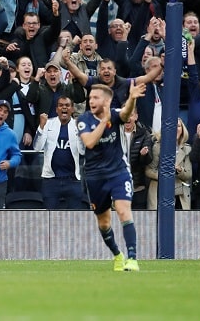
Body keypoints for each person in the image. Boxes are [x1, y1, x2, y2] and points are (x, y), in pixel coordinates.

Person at [78, 82, 146, 272]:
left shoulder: (115, 114)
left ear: (106, 101)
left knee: (124, 211)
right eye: (90, 97)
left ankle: (132, 259)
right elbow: (90, 142)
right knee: (104, 222)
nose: (91, 101)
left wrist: (132, 98)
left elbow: (125, 114)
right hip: (94, 176)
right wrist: (103, 121)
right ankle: (117, 255)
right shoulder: (83, 119)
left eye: (95, 97)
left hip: (118, 172)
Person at [34, 96, 84, 210]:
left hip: (73, 180)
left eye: (67, 105)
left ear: (72, 109)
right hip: (51, 180)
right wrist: (41, 126)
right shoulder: (48, 124)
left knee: (75, 219)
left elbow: (83, 151)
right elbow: (37, 147)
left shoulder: (78, 125)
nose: (64, 108)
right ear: (57, 109)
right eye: (61, 105)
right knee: (49, 219)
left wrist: (81, 133)